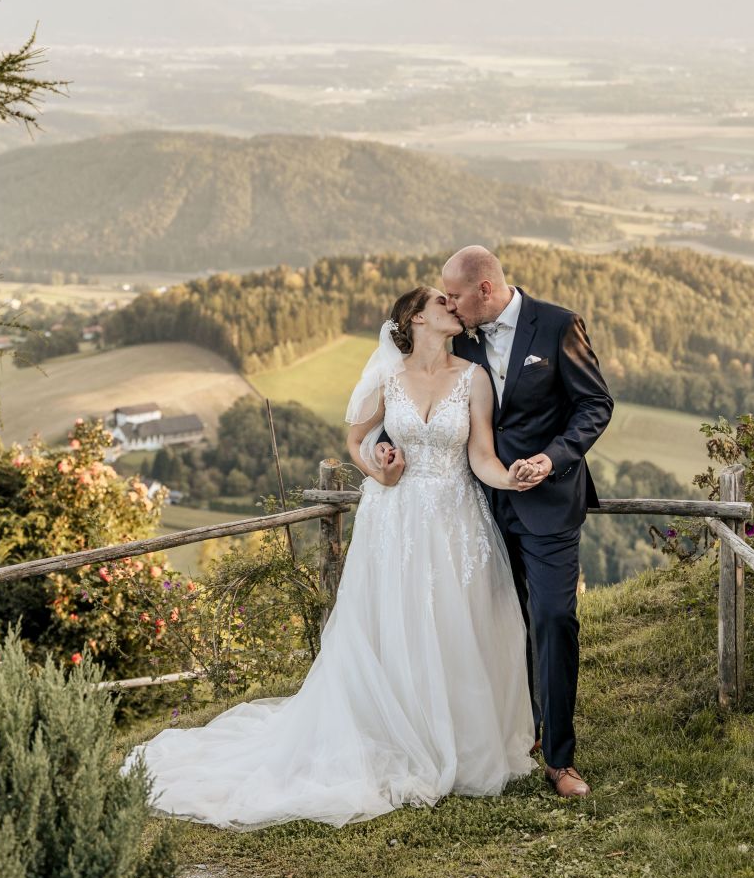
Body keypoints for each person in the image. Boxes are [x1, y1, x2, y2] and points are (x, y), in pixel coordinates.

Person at [122, 286, 535, 830]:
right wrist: (378, 465)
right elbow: (356, 441)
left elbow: (481, 455)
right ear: (415, 318)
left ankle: (455, 738)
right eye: (441, 301)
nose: (453, 305)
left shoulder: (474, 378)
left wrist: (511, 477)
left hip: (455, 521)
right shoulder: (388, 378)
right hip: (393, 519)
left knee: (454, 625)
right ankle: (392, 731)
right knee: (393, 623)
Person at [425, 245, 613, 799]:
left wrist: (552, 459)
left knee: (552, 617)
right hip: (479, 506)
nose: (449, 305)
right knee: (498, 620)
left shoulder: (557, 325)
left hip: (548, 501)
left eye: (455, 295)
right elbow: (426, 387)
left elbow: (595, 405)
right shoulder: (459, 337)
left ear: (485, 289)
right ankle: (514, 728)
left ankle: (560, 758)